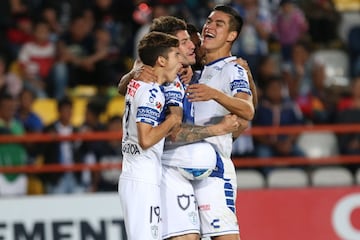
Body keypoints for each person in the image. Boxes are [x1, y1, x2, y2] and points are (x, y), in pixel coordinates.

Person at [185, 5, 255, 240]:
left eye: (219, 24)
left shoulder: (233, 69)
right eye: (208, 21)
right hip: (188, 168)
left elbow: (247, 109)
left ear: (232, 36)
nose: (209, 27)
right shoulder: (199, 72)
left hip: (215, 171)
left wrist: (215, 95)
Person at [118, 31, 183, 240]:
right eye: (175, 55)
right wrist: (172, 121)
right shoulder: (151, 92)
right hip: (142, 178)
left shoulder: (138, 83)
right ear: (161, 60)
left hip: (137, 175)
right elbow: (146, 139)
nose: (180, 62)